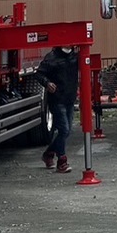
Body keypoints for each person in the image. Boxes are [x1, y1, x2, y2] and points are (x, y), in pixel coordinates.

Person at [35, 45, 80, 173]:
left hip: (69, 99)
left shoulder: (75, 56)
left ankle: (49, 154)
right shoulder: (52, 57)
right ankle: (62, 160)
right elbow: (39, 74)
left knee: (66, 131)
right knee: (64, 129)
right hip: (57, 99)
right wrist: (47, 83)